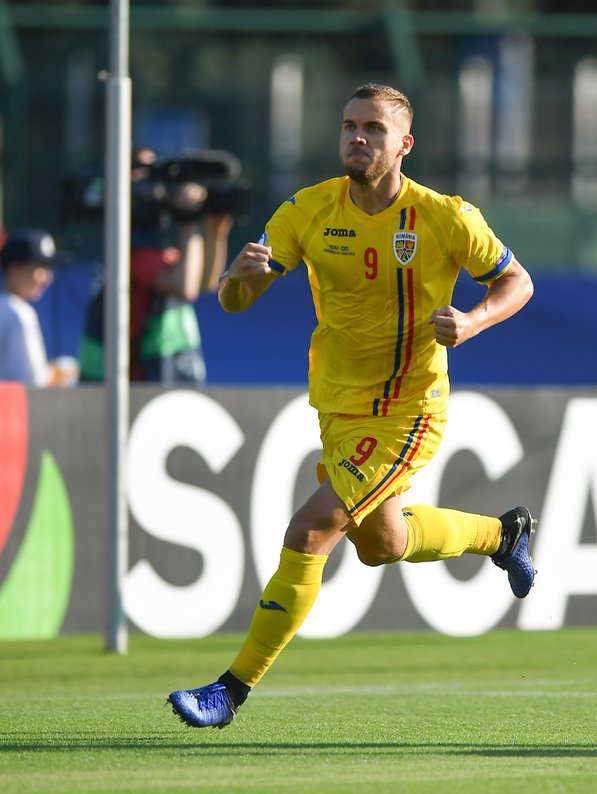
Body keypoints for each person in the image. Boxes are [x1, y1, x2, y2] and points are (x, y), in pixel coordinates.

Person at [167, 83, 536, 728]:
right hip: (337, 408)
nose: (357, 137)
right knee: (383, 543)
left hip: (409, 409)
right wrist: (239, 279)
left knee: (311, 529)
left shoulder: (445, 217)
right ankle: (503, 535)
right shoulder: (308, 209)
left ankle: (229, 690)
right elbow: (233, 301)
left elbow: (517, 280)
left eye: (373, 128)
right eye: (348, 126)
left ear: (404, 144)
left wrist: (474, 321)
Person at [78, 147, 234, 383]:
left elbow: (206, 282)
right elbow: (185, 287)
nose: (154, 182)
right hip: (142, 379)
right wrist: (188, 221)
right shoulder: (134, 250)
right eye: (143, 172)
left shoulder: (154, 246)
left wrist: (216, 229)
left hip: (167, 371)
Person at [0, 229, 74, 386]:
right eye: (41, 268)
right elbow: (34, 382)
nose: (48, 278)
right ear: (15, 269)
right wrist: (60, 374)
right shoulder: (19, 313)